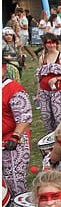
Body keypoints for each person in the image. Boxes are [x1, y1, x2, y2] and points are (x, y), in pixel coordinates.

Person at [2, 66, 32, 197]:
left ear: (3, 68)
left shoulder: (14, 89)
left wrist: (15, 136)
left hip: (11, 142)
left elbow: (24, 117)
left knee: (15, 183)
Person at [35, 33, 61, 133]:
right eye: (48, 43)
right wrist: (38, 93)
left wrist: (58, 78)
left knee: (60, 117)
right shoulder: (42, 58)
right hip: (44, 92)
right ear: (45, 44)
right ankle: (52, 139)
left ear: (56, 43)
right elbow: (39, 77)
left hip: (58, 92)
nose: (51, 45)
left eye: (53, 42)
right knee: (47, 117)